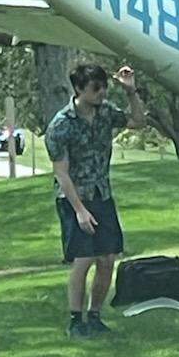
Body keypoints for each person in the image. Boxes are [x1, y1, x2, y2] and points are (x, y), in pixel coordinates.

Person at [46, 60, 147, 340]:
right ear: (79, 89)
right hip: (74, 197)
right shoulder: (61, 125)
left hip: (102, 194)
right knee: (84, 258)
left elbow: (138, 122)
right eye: (95, 88)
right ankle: (75, 320)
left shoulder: (106, 113)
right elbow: (61, 173)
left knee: (107, 258)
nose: (102, 92)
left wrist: (130, 91)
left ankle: (95, 316)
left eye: (104, 87)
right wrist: (79, 211)